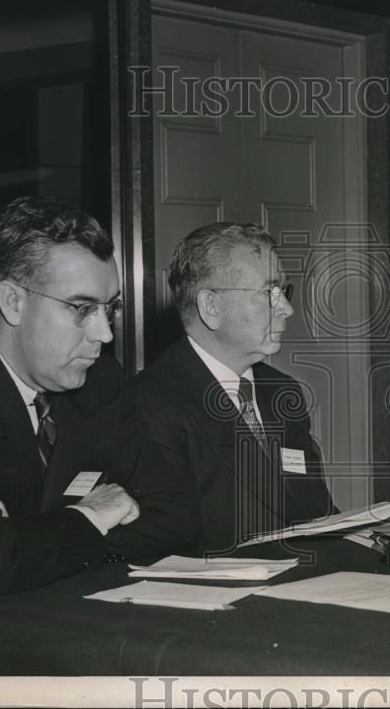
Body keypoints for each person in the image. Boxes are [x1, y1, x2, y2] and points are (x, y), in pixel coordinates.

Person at [0, 196, 197, 598]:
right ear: (13, 301)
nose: (105, 334)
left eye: (110, 308)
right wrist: (91, 515)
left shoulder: (99, 380)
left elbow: (177, 515)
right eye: (81, 308)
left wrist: (31, 541)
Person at [117, 222, 335, 554]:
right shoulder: (150, 405)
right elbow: (170, 547)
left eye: (283, 292)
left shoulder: (282, 392)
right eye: (268, 293)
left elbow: (317, 514)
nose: (287, 310)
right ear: (211, 307)